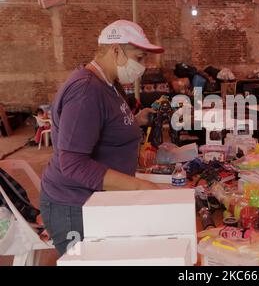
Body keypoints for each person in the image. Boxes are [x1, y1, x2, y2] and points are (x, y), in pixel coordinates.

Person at [40, 20, 165, 256]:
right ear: (115, 49)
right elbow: (73, 162)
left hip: (96, 201)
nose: (143, 66)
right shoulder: (86, 90)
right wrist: (140, 186)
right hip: (75, 206)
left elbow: (103, 123)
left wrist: (134, 123)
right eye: (139, 58)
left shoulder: (108, 84)